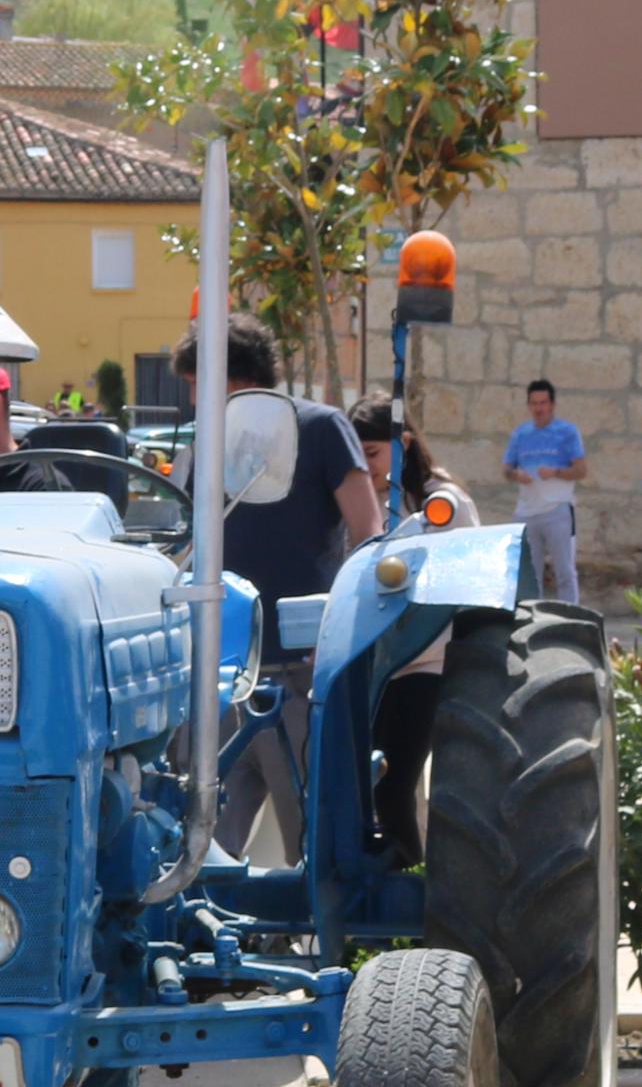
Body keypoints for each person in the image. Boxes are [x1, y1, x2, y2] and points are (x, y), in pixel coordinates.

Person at [201, 311, 379, 864]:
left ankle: (312, 945)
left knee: (311, 843)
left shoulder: (323, 429)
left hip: (298, 678)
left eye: (195, 382)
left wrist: (336, 642)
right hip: (222, 680)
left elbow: (368, 532)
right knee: (201, 848)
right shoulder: (209, 441)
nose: (192, 399)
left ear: (228, 377)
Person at [353, 398, 476, 862]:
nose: (363, 466)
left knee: (394, 783)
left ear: (403, 444)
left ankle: (405, 893)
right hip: (379, 663)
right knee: (369, 786)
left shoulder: (441, 501)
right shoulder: (367, 500)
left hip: (428, 660)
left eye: (371, 453)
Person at [500, 376, 587, 606]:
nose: (539, 408)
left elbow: (580, 470)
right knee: (529, 574)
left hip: (557, 510)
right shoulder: (520, 434)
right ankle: (531, 621)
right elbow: (506, 469)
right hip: (526, 512)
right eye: (534, 403)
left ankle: (570, 618)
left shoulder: (567, 432)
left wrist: (556, 472)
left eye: (543, 403)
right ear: (529, 405)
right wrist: (516, 475)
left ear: (552, 404)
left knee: (565, 571)